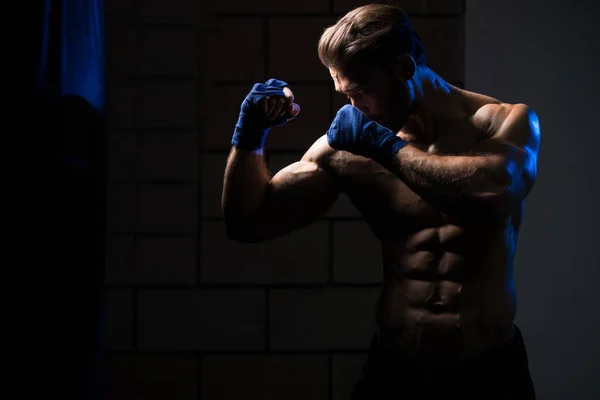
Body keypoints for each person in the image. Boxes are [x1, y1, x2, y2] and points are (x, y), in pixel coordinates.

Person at [221, 3, 540, 399]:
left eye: (361, 92)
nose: (355, 109)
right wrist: (249, 137)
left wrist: (386, 149)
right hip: (398, 370)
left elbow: (495, 190)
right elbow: (248, 221)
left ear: (404, 69)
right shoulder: (352, 146)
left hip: (490, 371)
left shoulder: (501, 122)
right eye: (344, 94)